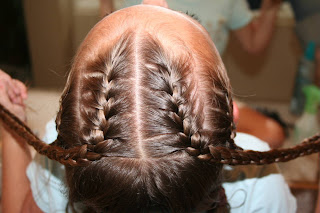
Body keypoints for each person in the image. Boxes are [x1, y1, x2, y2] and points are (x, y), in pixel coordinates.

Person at [1, 2, 319, 212]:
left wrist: (9, 129)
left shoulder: (60, 157)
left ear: (66, 118)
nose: (158, 2)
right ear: (226, 109)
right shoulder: (260, 183)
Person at [101, 0, 286, 149]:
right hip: (141, 93)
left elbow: (254, 44)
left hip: (205, 95)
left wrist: (269, 8)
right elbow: (107, 51)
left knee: (272, 134)